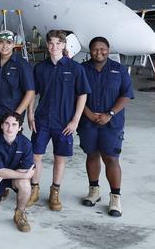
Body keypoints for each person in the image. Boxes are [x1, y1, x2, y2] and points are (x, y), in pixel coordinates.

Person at [27, 30, 91, 211]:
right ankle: (34, 189)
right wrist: (30, 114)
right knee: (35, 156)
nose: (54, 47)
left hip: (64, 123)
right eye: (51, 43)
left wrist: (76, 120)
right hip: (42, 120)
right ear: (47, 45)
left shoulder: (76, 68)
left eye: (58, 43)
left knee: (59, 159)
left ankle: (55, 193)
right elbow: (32, 93)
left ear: (64, 45)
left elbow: (83, 95)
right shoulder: (40, 68)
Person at [78, 37, 133, 217]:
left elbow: (126, 95)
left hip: (112, 123)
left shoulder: (119, 70)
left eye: (103, 49)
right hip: (88, 121)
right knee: (92, 154)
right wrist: (88, 114)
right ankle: (94, 191)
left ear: (108, 50)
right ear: (90, 51)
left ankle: (115, 198)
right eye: (95, 49)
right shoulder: (82, 70)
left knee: (111, 158)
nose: (99, 52)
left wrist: (110, 114)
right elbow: (75, 94)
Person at [0, 30, 35, 191]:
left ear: (14, 45)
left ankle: (7, 180)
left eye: (8, 42)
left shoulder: (22, 64)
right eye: (1, 42)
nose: (5, 46)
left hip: (11, 118)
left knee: (10, 150)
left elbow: (30, 92)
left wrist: (17, 115)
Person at [0, 112, 35, 233]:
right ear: (2, 125)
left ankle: (20, 212)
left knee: (25, 185)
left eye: (14, 125)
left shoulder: (26, 143)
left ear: (20, 128)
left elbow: (27, 169)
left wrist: (2, 176)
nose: (10, 128)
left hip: (11, 178)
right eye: (7, 124)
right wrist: (1, 174)